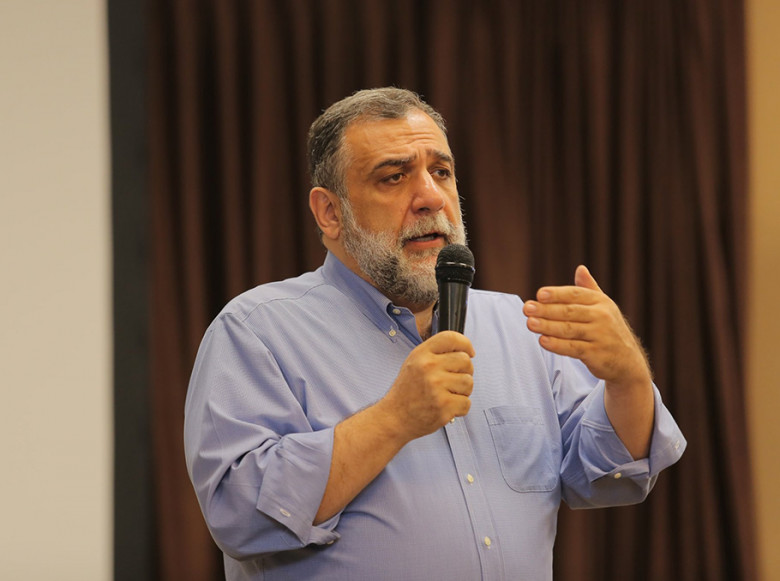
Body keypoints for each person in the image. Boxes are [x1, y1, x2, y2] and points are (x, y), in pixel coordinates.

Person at [184, 87, 685, 580]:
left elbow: (609, 477)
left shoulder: (521, 326)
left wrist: (627, 378)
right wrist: (395, 419)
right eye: (394, 177)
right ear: (330, 213)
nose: (430, 197)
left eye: (441, 172)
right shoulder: (257, 332)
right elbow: (239, 515)